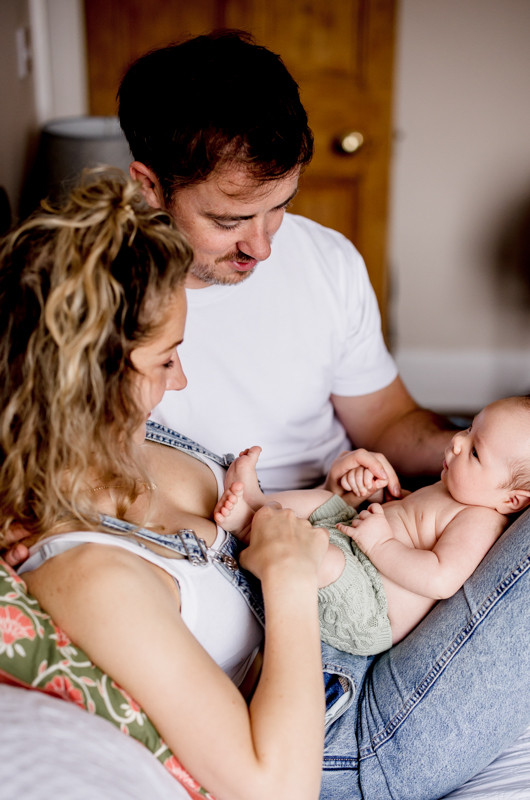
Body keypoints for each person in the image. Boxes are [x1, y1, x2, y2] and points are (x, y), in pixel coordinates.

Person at [4, 174, 530, 800]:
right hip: (347, 719)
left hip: (368, 602)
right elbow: (279, 798)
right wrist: (289, 574)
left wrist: (337, 496)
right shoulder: (89, 575)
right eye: (165, 362)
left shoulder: (133, 442)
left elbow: (280, 526)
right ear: (88, 379)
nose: (181, 379)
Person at [117, 30, 455, 492]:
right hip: (202, 533)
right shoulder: (90, 293)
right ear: (149, 185)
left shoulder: (329, 259)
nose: (262, 248)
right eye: (228, 220)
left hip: (342, 510)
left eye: (279, 206)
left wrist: (476, 451)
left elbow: (384, 419)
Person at [214, 395, 530, 654]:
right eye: (468, 429)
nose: (457, 444)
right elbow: (410, 521)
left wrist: (381, 545)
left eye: (476, 451)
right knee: (325, 502)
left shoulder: (480, 521)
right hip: (359, 550)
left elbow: (440, 578)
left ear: (511, 500)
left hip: (367, 603)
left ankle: (256, 535)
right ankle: (256, 510)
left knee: (324, 559)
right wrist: (376, 496)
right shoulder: (458, 488)